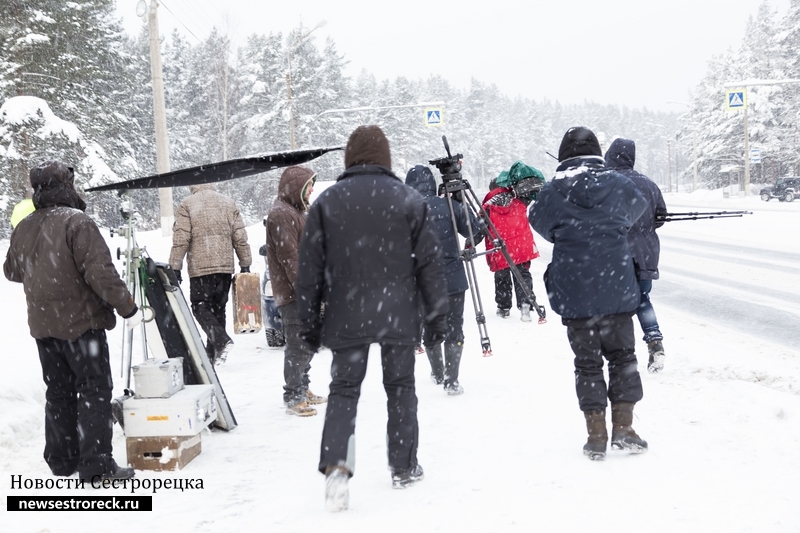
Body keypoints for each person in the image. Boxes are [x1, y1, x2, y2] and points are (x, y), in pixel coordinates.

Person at [296, 125, 449, 511]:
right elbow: (430, 266)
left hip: (346, 316)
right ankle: (403, 466)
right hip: (397, 316)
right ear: (385, 157)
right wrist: (437, 317)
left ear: (349, 157)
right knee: (400, 389)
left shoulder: (326, 203)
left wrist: (309, 325)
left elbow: (309, 273)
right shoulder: (410, 201)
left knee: (344, 391)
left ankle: (337, 466)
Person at [4, 160, 140, 483]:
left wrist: (41, 268)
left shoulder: (24, 226)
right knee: (94, 390)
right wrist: (128, 308)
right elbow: (101, 274)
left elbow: (11, 271)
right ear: (67, 187)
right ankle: (96, 465)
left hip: (44, 328)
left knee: (59, 391)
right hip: (82, 326)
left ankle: (62, 460)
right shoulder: (76, 223)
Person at [528, 127, 649, 461]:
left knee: (587, 363)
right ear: (598, 152)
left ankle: (596, 435)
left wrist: (570, 231)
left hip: (575, 289)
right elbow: (637, 209)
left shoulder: (551, 192)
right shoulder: (620, 185)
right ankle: (624, 428)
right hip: (616, 288)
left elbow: (538, 222)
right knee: (623, 358)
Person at [405, 164, 483, 395]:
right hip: (453, 279)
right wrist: (460, 200)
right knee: (454, 328)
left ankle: (437, 372)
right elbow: (474, 231)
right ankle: (452, 380)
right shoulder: (449, 205)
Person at [266, 165, 326, 417]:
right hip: (293, 292)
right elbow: (290, 258)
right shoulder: (281, 214)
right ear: (296, 187)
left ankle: (303, 386)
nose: (312, 189)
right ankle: (293, 395)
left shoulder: (296, 211)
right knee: (297, 344)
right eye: (308, 185)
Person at [169, 183, 252, 366]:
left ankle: (220, 341)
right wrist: (245, 264)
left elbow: (181, 238)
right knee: (218, 308)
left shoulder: (187, 204)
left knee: (200, 306)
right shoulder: (228, 203)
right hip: (224, 268)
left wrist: (175, 267)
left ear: (193, 187)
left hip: (201, 268)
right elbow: (240, 237)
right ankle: (214, 355)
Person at [605, 138, 668, 373]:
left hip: (615, 253)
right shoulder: (649, 184)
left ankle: (622, 354)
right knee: (642, 299)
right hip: (646, 252)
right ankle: (654, 340)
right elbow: (661, 216)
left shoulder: (606, 182)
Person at [483, 168, 541, 322]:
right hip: (520, 246)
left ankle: (503, 308)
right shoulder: (520, 200)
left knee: (502, 277)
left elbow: (479, 227)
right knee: (522, 274)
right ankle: (525, 306)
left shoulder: (488, 206)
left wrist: (470, 244)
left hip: (500, 248)